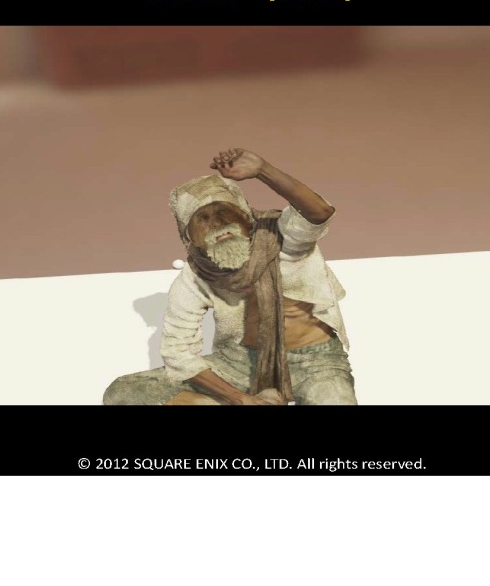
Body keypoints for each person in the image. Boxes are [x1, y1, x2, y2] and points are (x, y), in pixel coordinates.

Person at [102, 148, 357, 406]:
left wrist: (263, 170)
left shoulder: (281, 237)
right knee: (124, 391)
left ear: (246, 216)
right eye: (202, 218)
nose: (217, 223)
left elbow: (319, 213)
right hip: (238, 363)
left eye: (224, 211)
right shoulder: (196, 275)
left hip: (316, 362)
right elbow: (178, 352)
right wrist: (238, 399)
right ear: (190, 238)